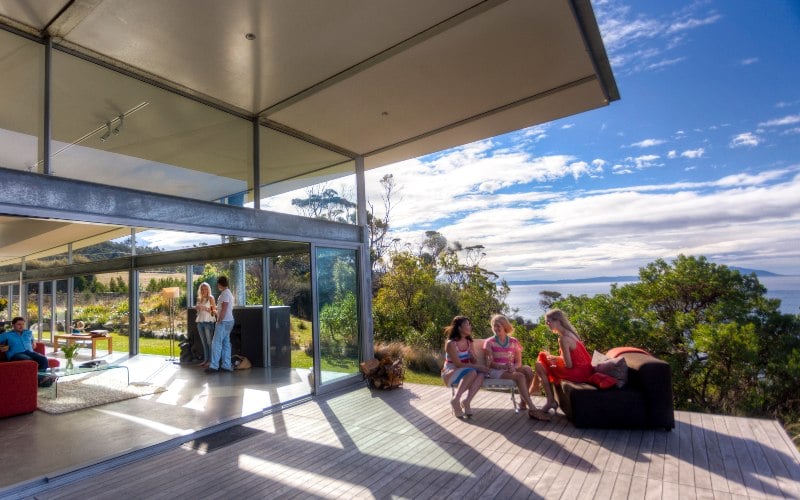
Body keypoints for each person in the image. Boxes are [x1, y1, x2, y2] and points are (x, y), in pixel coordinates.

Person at [483, 314, 550, 420]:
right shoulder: (489, 342)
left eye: (498, 325)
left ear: (505, 326)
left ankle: (523, 402)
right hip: (496, 370)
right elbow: (490, 363)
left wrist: (514, 367)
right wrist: (503, 366)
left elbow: (519, 361)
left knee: (527, 369)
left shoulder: (513, 341)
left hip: (511, 368)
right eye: (494, 326)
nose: (496, 328)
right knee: (519, 376)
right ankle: (532, 409)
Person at [533, 309, 593, 415]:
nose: (547, 324)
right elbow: (571, 359)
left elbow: (569, 365)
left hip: (578, 373)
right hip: (584, 371)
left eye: (549, 321)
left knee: (541, 359)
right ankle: (548, 399)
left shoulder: (563, 339)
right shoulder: (571, 333)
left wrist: (554, 360)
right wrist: (556, 359)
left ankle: (550, 401)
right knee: (544, 360)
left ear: (558, 321)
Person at [441, 316, 488, 418]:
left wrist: (472, 356)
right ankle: (456, 399)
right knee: (473, 372)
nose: (469, 326)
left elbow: (473, 361)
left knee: (480, 375)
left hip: (465, 372)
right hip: (450, 372)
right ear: (459, 328)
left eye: (469, 324)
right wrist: (478, 367)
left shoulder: (469, 342)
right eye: (466, 324)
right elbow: (458, 364)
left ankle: (467, 401)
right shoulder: (451, 343)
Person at [0, 317, 55, 387]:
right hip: (16, 354)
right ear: (13, 325)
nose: (21, 326)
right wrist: (2, 346)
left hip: (30, 352)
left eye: (23, 324)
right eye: (19, 324)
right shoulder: (6, 335)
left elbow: (33, 341)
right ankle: (42, 380)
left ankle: (40, 380)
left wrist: (34, 342)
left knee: (43, 359)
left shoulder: (28, 333)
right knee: (28, 360)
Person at [205, 276, 234, 373]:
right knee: (226, 343)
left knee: (216, 343)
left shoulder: (225, 294)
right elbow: (223, 308)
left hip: (224, 321)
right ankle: (226, 365)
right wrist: (214, 310)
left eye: (217, 284)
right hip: (229, 321)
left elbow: (225, 309)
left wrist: (219, 320)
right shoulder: (228, 293)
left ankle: (214, 366)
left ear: (219, 284)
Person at [195, 282, 217, 368]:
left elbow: (214, 311)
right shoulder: (200, 299)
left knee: (209, 343)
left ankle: (211, 361)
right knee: (204, 343)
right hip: (200, 322)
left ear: (208, 289)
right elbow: (198, 311)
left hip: (208, 322)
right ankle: (205, 360)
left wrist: (205, 308)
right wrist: (197, 308)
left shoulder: (211, 298)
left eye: (205, 289)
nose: (204, 290)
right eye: (202, 289)